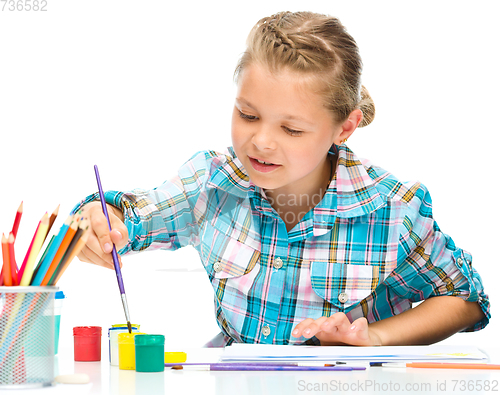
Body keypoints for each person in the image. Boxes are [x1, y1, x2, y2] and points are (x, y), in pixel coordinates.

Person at [75, 11, 489, 347]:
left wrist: (376, 336)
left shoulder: (390, 209)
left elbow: (466, 299)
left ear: (344, 128)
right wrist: (100, 217)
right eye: (248, 115)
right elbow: (135, 214)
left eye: (291, 130)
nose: (261, 142)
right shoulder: (212, 183)